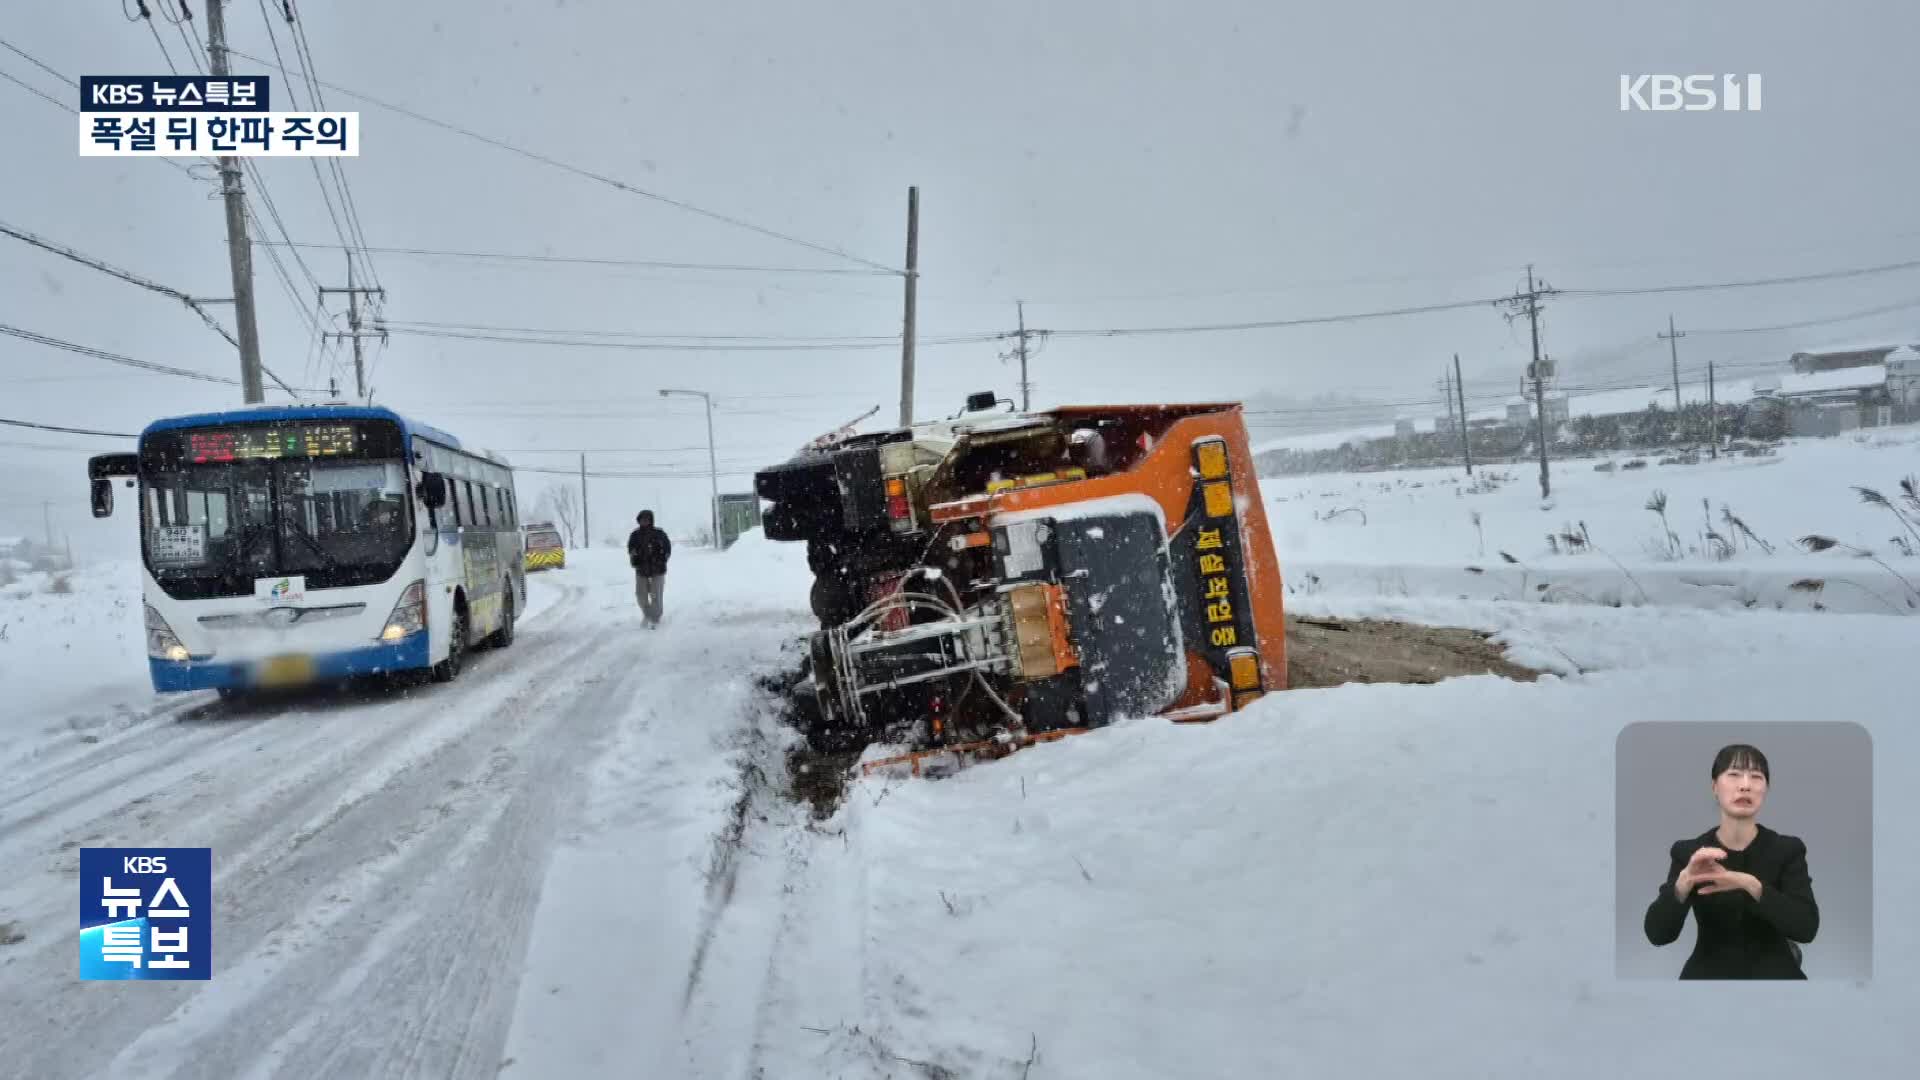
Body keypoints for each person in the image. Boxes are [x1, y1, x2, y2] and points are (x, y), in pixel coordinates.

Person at [1643, 743, 1819, 979]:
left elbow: (1806, 928)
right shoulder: (1689, 852)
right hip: (1706, 978)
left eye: (1756, 777)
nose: (1745, 785)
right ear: (1714, 786)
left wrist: (1750, 885)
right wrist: (1683, 882)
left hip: (1777, 978)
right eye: (1734, 774)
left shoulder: (1787, 850)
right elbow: (1658, 934)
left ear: (1766, 788)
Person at [626, 510, 671, 628]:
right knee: (640, 595)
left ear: (651, 520)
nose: (644, 521)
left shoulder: (659, 533)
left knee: (656, 594)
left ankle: (655, 618)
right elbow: (630, 549)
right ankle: (647, 614)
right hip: (641, 569)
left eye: (647, 519)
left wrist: (662, 559)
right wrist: (634, 557)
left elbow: (667, 548)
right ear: (639, 520)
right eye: (642, 519)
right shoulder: (635, 535)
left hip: (658, 569)